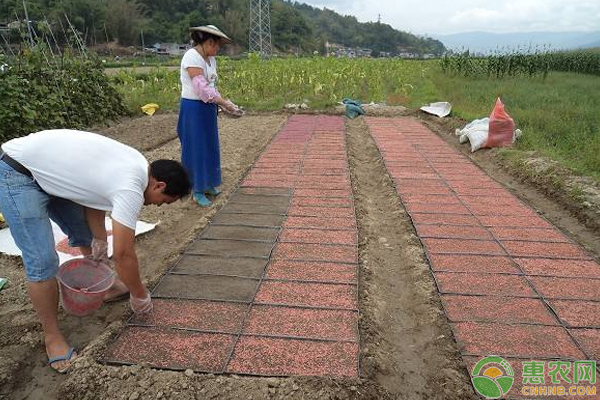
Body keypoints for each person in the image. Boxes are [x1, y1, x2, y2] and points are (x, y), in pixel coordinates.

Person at [0, 129, 191, 373]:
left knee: (85, 234)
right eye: (163, 201)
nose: (157, 205)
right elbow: (123, 254)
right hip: (17, 172)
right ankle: (52, 337)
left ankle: (102, 284)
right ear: (159, 184)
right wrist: (139, 294)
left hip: (46, 171)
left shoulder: (139, 165)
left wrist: (99, 239)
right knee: (42, 260)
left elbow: (93, 194)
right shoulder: (132, 187)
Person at [177, 24, 240, 207]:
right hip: (193, 108)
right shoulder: (191, 57)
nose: (218, 49)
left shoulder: (211, 59)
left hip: (207, 108)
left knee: (210, 145)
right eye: (216, 45)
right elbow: (201, 89)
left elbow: (212, 86)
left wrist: (222, 104)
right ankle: (197, 190)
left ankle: (210, 183)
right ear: (208, 42)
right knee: (196, 148)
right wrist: (223, 102)